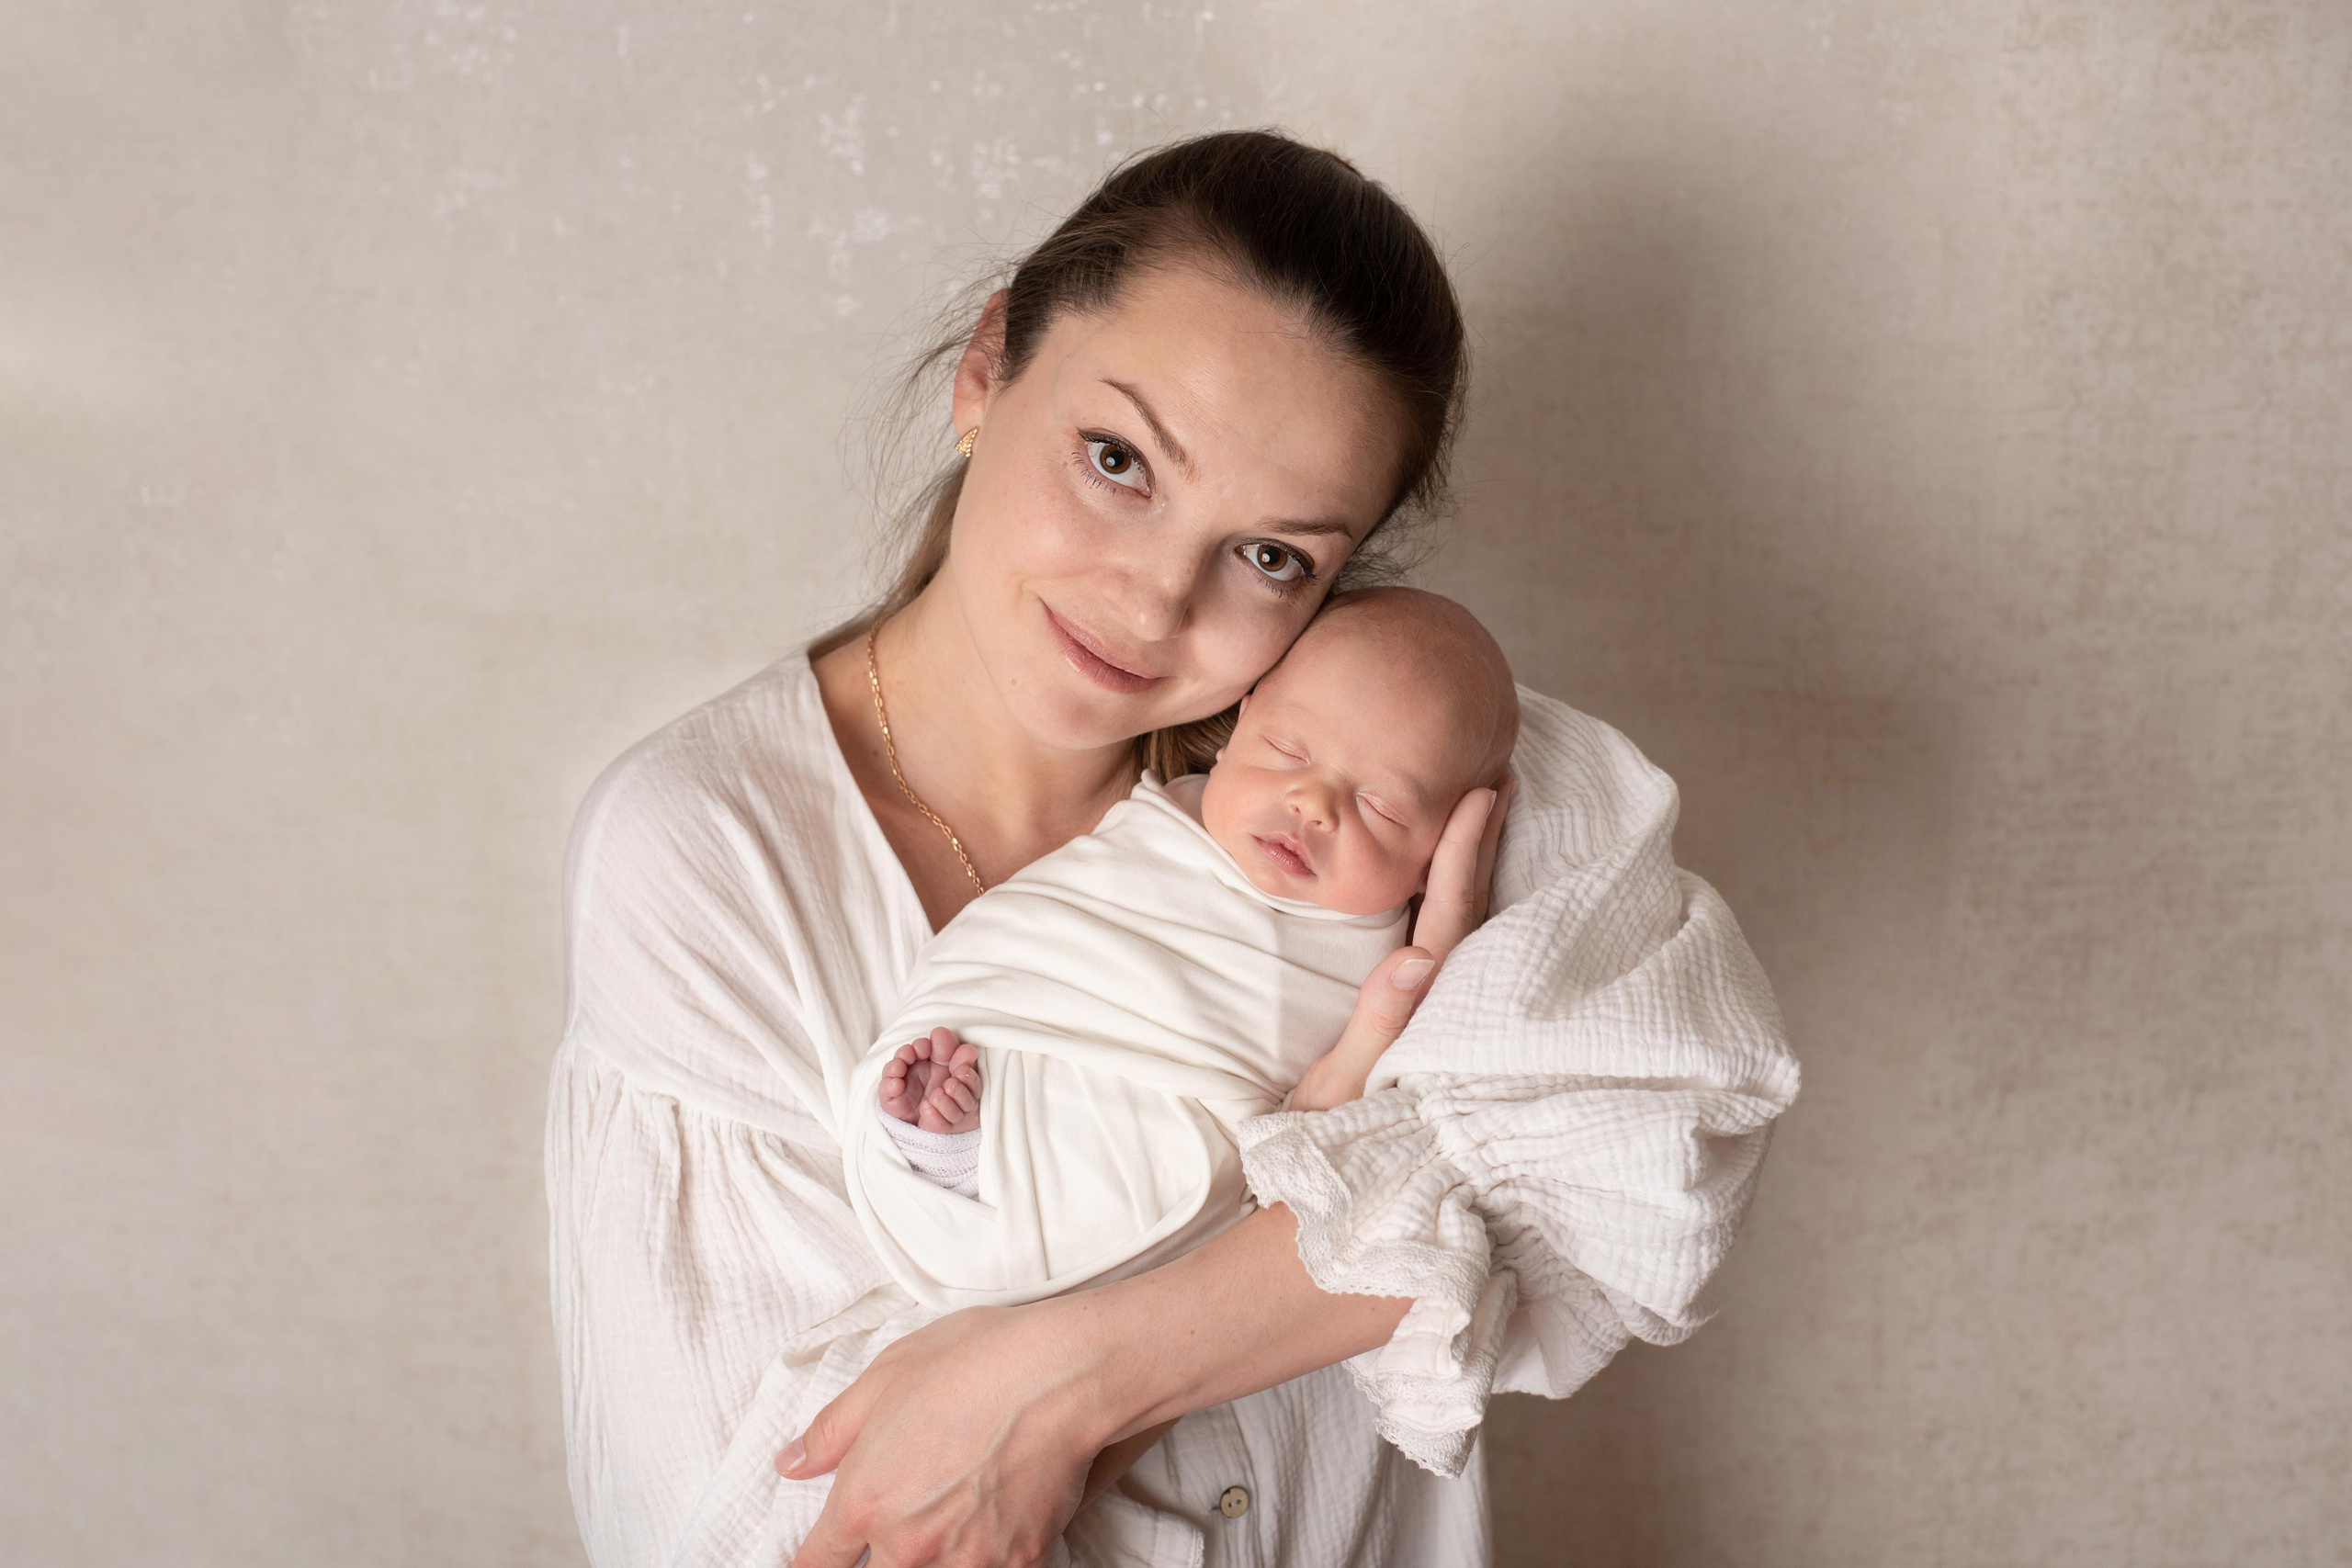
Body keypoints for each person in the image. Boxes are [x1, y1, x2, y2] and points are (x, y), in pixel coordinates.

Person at [545, 130, 1799, 1568]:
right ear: (986, 368)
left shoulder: (1418, 756)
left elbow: (1656, 1149)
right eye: (1118, 458)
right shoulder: (712, 851)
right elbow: (809, 1520)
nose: (1152, 601)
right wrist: (1320, 1176)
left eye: (1273, 555)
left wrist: (1054, 1382)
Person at [850, 589, 1520, 1306]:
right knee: (956, 1057)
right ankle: (960, 1153)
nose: (1312, 803)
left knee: (1154, 1173)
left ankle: (980, 1168)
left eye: (1381, 807)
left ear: (1442, 849)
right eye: (1286, 749)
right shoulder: (1160, 827)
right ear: (1235, 730)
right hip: (1030, 1041)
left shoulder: (1386, 952)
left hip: (1172, 1150)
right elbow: (1035, 940)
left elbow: (1343, 1126)